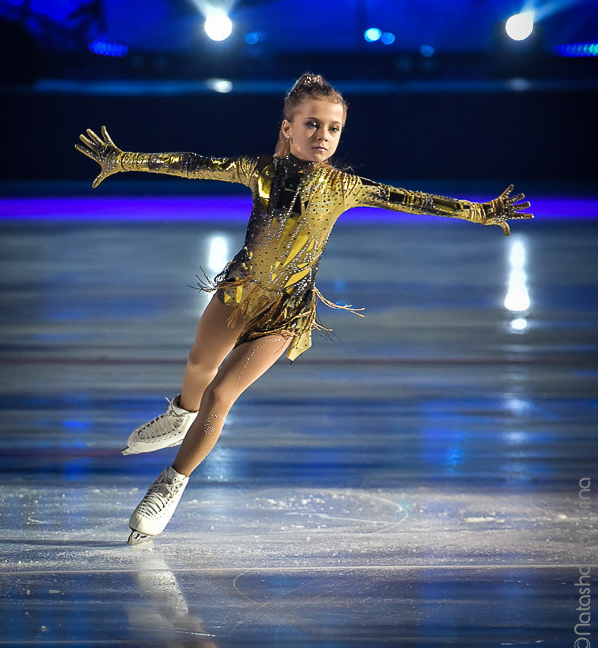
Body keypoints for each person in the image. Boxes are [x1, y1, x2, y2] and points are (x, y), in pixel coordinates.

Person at [75, 73, 533, 544]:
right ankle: (179, 415)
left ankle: (170, 484)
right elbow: (193, 164)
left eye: (333, 128)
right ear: (287, 128)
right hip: (239, 292)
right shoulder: (261, 171)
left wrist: (478, 210)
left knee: (221, 396)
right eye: (312, 125)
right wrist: (125, 159)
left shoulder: (344, 187)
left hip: (288, 312)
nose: (323, 136)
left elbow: (411, 200)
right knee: (198, 366)